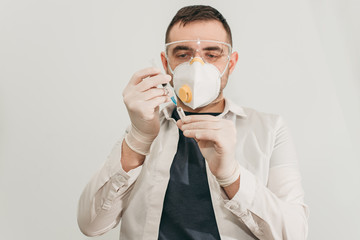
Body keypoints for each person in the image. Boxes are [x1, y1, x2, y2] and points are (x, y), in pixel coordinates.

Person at [77, 5, 309, 240]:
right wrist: (138, 138)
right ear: (165, 62)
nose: (197, 67)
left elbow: (294, 234)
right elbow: (90, 224)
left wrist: (231, 176)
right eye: (182, 54)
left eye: (212, 54)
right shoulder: (146, 126)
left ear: (231, 62)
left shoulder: (269, 129)